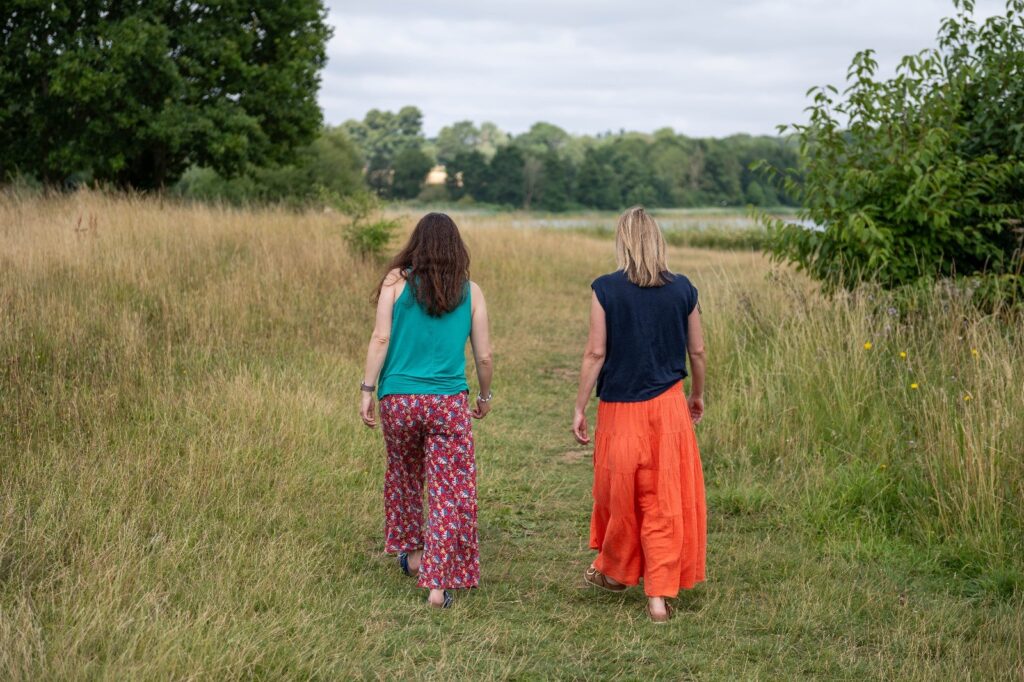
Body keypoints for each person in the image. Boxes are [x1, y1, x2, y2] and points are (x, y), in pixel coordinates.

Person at [572, 206, 707, 623]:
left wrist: (579, 407)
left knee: (619, 497)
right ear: (657, 241)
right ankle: (657, 599)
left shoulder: (605, 289)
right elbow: (697, 351)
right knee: (663, 500)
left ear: (624, 241)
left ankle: (615, 572)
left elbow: (596, 352)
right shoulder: (683, 289)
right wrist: (697, 395)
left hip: (619, 412)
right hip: (668, 409)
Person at [359, 212, 493, 609]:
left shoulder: (395, 283)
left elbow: (381, 336)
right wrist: (484, 397)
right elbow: (483, 357)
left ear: (416, 244)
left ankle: (413, 555)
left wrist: (367, 388)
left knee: (403, 473)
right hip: (448, 402)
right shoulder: (470, 291)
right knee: (450, 490)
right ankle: (439, 584)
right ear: (457, 249)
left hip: (398, 399)